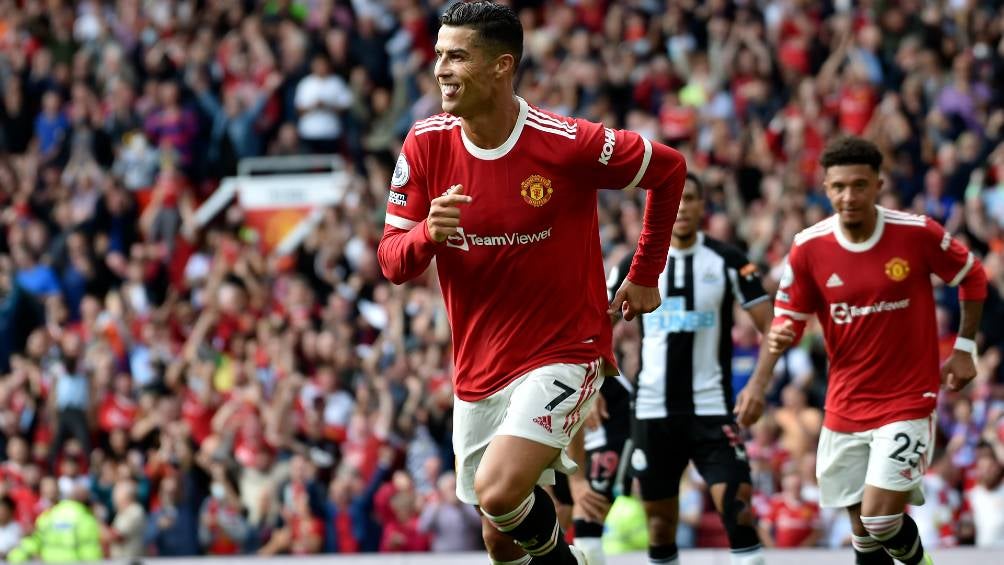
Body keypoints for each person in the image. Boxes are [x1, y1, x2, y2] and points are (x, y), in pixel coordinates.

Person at [376, 2, 687, 563]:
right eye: (439, 55)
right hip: (479, 367)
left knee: (500, 493)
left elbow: (668, 170)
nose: (441, 69)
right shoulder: (424, 144)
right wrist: (427, 233)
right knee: (500, 538)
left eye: (457, 57)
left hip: (565, 350)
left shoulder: (565, 142)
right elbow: (393, 262)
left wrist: (645, 273)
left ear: (502, 65)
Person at [745, 136, 988, 565]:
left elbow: (972, 274)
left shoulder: (916, 233)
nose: (849, 196)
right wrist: (759, 383)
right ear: (825, 187)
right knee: (863, 534)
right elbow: (786, 322)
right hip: (845, 404)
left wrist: (965, 348)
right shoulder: (809, 246)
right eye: (839, 186)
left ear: (878, 184)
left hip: (907, 399)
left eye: (859, 185)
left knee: (879, 520)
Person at [606, 173, 774, 565]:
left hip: (712, 409)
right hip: (652, 411)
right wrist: (596, 387)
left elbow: (773, 328)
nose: (681, 207)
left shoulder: (728, 260)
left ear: (703, 206)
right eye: (674, 199)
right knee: (660, 527)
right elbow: (598, 327)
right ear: (655, 207)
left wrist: (757, 386)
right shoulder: (632, 265)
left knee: (738, 512)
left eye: (691, 198)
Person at [7, 485, 103, 563]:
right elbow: (89, 550)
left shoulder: (48, 516)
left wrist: (13, 558)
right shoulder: (85, 519)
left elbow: (33, 541)